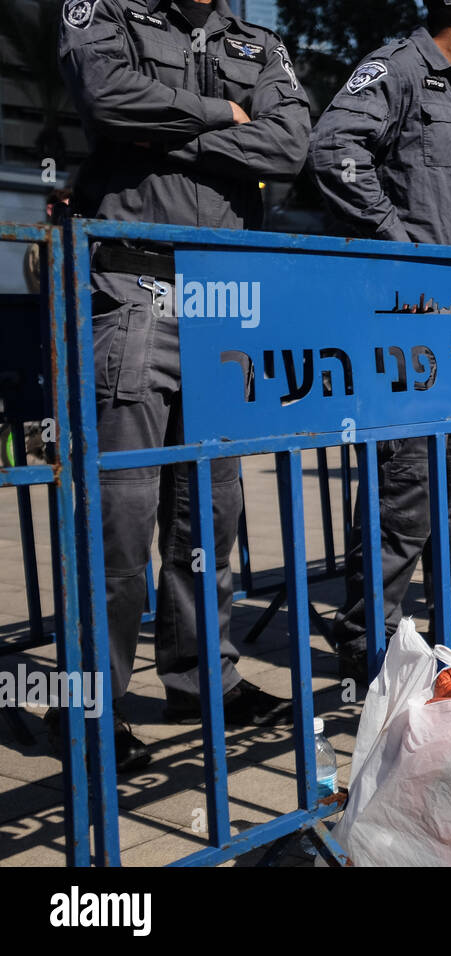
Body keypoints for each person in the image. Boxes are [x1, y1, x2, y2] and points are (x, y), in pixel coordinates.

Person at [57, 0, 311, 768]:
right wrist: (222, 116)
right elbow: (106, 98)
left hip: (223, 309)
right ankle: (91, 713)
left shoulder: (258, 42)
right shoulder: (106, 13)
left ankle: (204, 680)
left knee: (210, 519)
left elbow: (292, 144)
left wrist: (169, 134)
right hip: (133, 292)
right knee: (117, 530)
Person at [309, 0, 451, 675]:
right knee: (404, 482)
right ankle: (367, 633)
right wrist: (400, 242)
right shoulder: (398, 67)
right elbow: (333, 150)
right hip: (410, 324)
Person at [23, 188, 71, 294]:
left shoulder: (40, 241)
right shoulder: (43, 244)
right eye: (64, 208)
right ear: (50, 210)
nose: (69, 214)